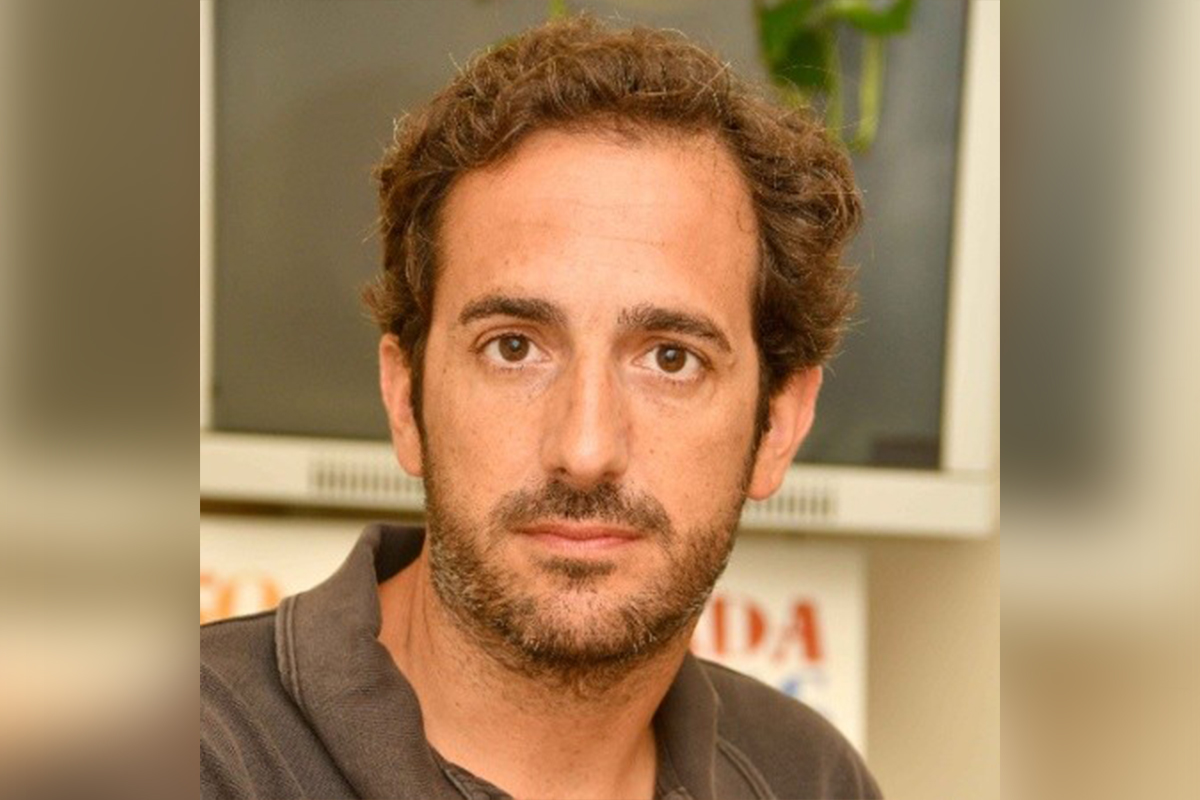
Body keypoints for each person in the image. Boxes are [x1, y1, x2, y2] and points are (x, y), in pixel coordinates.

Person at [202, 15, 879, 800]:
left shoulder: (807, 778)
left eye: (671, 359)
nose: (585, 449)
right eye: (514, 347)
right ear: (404, 397)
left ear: (779, 425)